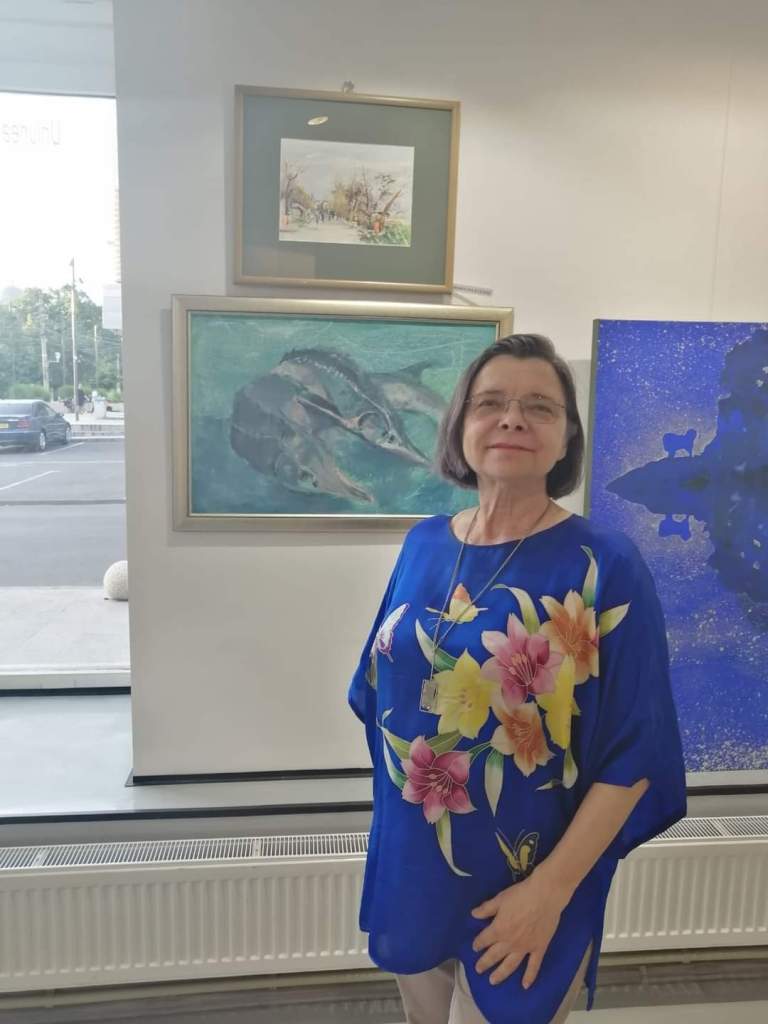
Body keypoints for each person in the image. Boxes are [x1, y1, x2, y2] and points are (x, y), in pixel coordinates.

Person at [348, 334, 686, 1024]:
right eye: (491, 403)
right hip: (415, 871)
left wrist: (549, 893)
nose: (512, 419)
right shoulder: (424, 543)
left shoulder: (605, 563)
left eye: (539, 407)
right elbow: (378, 693)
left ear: (566, 439)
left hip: (531, 884)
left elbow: (637, 755)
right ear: (460, 426)